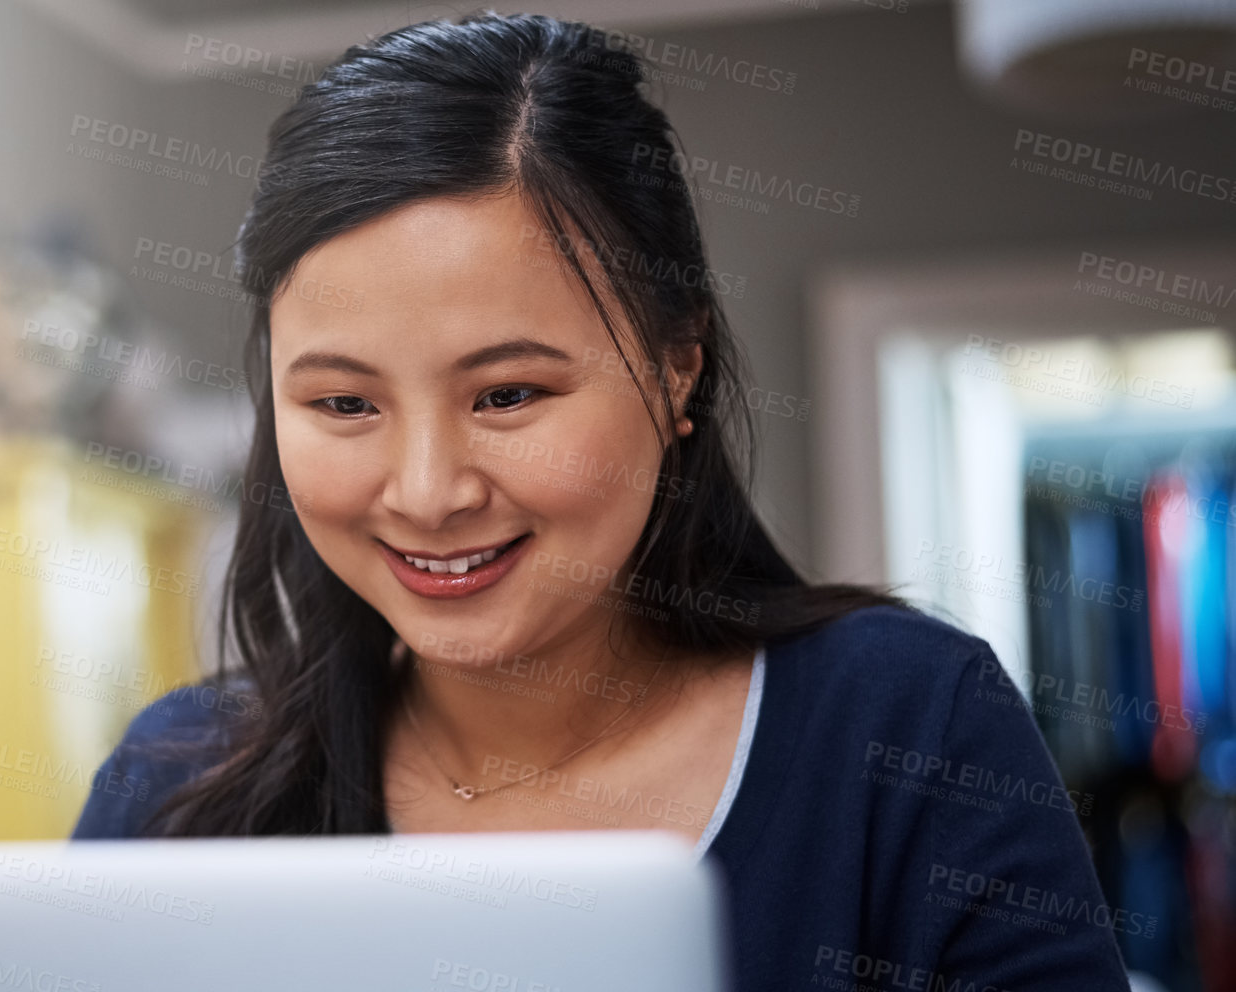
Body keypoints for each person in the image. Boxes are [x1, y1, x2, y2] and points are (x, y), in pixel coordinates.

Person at [71, 12, 1133, 991]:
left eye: (509, 393)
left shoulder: (907, 725)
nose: (429, 491)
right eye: (344, 401)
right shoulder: (175, 782)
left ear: (676, 369)